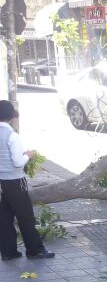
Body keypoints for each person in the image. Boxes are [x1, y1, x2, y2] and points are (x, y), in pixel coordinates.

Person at [0, 100, 54, 260]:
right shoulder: (12, 136)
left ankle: (8, 252)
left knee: (4, 218)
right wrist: (29, 155)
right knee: (25, 217)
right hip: (16, 182)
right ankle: (34, 250)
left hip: (1, 183)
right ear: (12, 116)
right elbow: (18, 162)